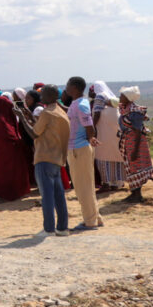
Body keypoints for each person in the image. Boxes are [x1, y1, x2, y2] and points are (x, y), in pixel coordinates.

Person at [17, 84, 70, 236]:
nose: (41, 97)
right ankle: (62, 227)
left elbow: (35, 134)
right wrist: (28, 114)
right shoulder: (61, 112)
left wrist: (21, 117)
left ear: (51, 96)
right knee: (59, 196)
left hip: (44, 157)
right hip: (57, 158)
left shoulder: (47, 113)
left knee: (47, 196)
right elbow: (44, 130)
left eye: (44, 94)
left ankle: (48, 229)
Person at [65, 77, 103, 230]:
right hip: (77, 148)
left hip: (79, 149)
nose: (66, 87)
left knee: (83, 187)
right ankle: (95, 218)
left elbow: (89, 126)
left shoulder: (80, 105)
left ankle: (90, 222)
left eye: (68, 85)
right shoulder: (77, 103)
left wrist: (91, 138)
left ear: (74, 87)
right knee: (85, 185)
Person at [0, 95, 31, 201]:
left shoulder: (0, 120)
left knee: (5, 173)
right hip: (6, 150)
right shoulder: (6, 117)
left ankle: (7, 194)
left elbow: (6, 134)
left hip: (4, 152)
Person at [119, 86, 153, 204]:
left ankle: (137, 195)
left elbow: (138, 131)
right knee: (130, 167)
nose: (120, 97)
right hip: (128, 141)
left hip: (135, 142)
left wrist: (135, 150)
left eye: (122, 95)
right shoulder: (125, 108)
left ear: (128, 98)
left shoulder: (135, 112)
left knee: (136, 167)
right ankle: (134, 193)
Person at [89, 81, 124, 194]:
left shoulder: (100, 96)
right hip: (114, 130)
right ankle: (116, 183)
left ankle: (105, 183)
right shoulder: (111, 96)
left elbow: (97, 113)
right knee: (115, 154)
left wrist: (93, 129)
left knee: (102, 155)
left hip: (104, 130)